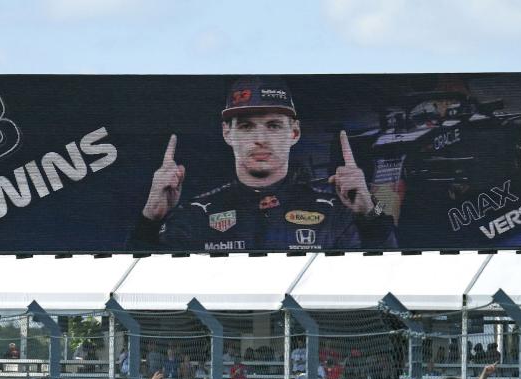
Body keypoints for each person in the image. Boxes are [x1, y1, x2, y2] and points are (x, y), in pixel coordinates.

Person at [130, 76, 396, 251]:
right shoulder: (196, 214)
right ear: (227, 133)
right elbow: (144, 291)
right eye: (246, 127)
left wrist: (370, 213)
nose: (260, 139)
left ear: (294, 133)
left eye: (273, 126)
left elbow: (388, 278)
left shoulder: (334, 212)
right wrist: (149, 219)